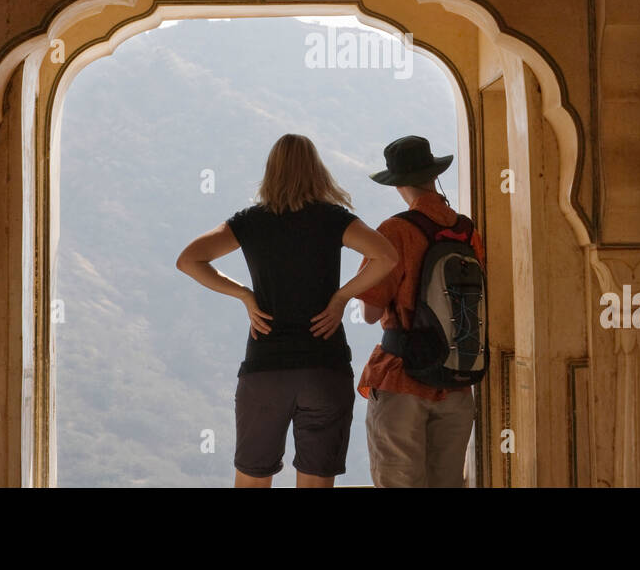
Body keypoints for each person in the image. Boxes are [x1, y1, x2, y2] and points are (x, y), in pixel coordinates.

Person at [176, 133, 397, 488]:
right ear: (316, 170)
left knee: (252, 480)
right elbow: (386, 256)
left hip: (266, 370)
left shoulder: (250, 221)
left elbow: (189, 260)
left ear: (271, 172)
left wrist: (245, 295)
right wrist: (341, 298)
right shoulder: (333, 219)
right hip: (325, 367)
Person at [356, 135, 486, 488]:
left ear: (398, 183)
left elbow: (370, 312)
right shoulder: (467, 231)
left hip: (403, 378)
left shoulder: (395, 231)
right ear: (433, 174)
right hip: (458, 379)